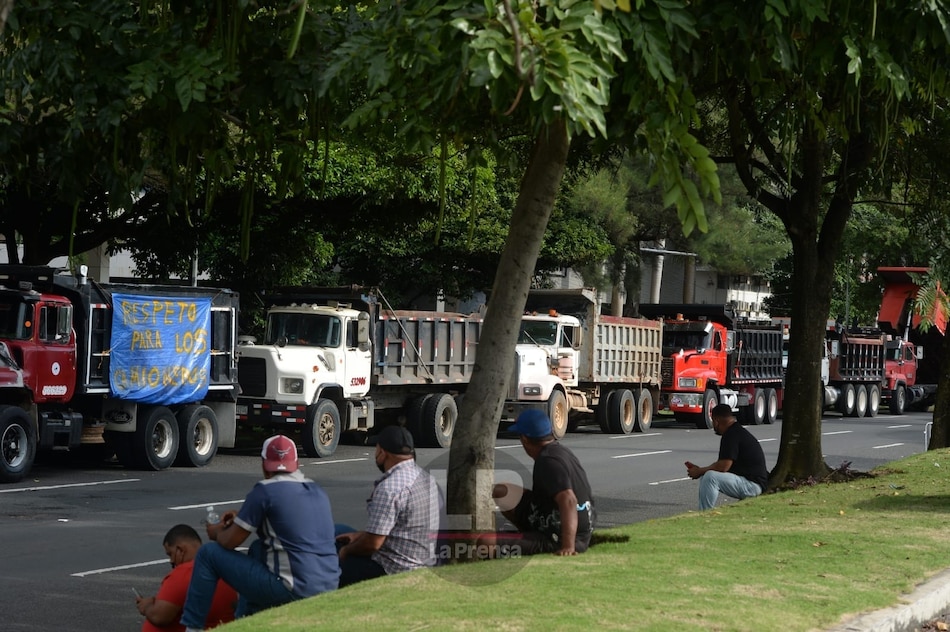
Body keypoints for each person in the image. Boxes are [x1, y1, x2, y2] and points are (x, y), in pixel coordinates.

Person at [180, 435, 339, 631]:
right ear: (296, 464)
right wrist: (240, 517)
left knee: (208, 554)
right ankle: (246, 620)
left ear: (265, 465)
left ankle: (193, 627)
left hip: (293, 588)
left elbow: (229, 541)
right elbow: (285, 522)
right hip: (329, 585)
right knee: (257, 548)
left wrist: (216, 532)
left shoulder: (265, 491)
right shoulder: (317, 490)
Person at [335, 425, 443, 587]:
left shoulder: (390, 487)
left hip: (393, 569)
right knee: (339, 530)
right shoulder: (428, 479)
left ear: (382, 453)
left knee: (331, 558)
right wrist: (359, 536)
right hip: (423, 561)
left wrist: (347, 551)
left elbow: (373, 544)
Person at [487, 408, 595, 556]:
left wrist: (568, 546)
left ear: (525, 439)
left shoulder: (548, 462)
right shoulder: (558, 452)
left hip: (558, 537)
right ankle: (527, 534)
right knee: (502, 491)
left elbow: (569, 499)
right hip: (551, 517)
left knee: (486, 542)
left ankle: (532, 541)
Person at [136, 524, 237, 632]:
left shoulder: (184, 573)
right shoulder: (223, 570)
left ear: (181, 550)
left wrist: (146, 606)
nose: (171, 561)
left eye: (170, 554)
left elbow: (160, 617)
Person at [685, 403, 769, 510]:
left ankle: (705, 513)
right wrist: (701, 471)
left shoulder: (731, 435)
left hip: (752, 485)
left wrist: (699, 471)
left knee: (710, 477)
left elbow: (723, 466)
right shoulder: (736, 431)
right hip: (752, 482)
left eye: (713, 421)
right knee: (706, 476)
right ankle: (703, 511)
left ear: (716, 421)